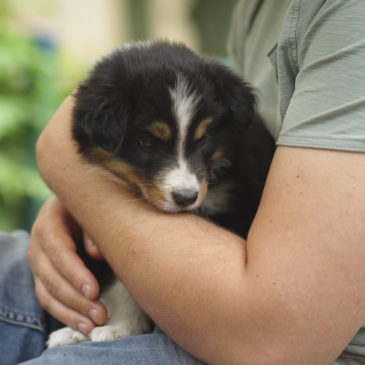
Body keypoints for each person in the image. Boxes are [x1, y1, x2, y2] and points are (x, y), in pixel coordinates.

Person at [1, 0, 365, 364]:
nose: (185, 180)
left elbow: (273, 341)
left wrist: (69, 169)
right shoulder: (258, 7)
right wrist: (75, 199)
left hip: (255, 330)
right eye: (149, 144)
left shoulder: (349, 17)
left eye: (201, 141)